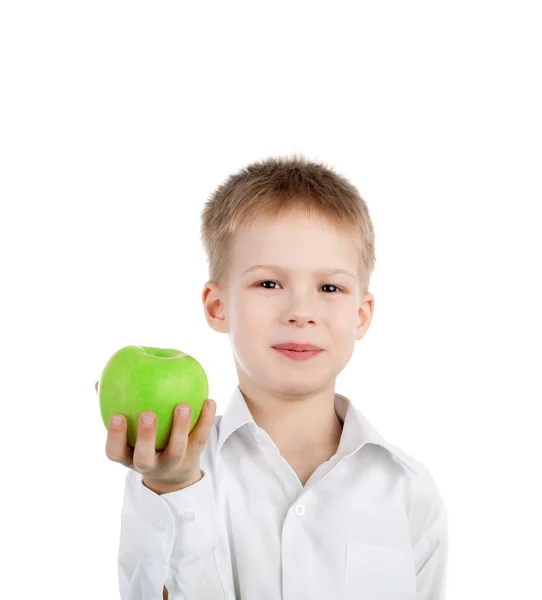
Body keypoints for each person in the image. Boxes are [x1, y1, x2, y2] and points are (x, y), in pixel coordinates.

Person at [100, 153, 448, 599]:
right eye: (268, 284)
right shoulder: (170, 470)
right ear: (217, 306)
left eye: (330, 288)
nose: (301, 312)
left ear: (361, 315)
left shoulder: (408, 490)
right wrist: (174, 488)